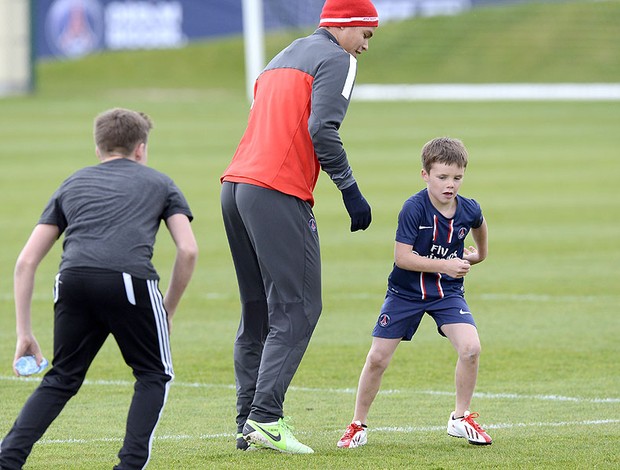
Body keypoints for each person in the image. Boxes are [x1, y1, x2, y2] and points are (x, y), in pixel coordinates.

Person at [220, 0, 378, 454]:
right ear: (345, 26)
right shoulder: (337, 58)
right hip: (275, 190)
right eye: (366, 34)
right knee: (299, 307)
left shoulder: (281, 56)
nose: (366, 45)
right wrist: (350, 191)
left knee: (258, 311)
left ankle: (246, 423)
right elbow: (321, 129)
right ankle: (266, 417)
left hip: (235, 186)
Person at [0, 108, 198, 469]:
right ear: (140, 149)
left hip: (71, 280)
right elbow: (187, 250)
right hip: (128, 282)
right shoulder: (160, 183)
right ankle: (129, 464)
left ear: (98, 150)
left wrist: (24, 333)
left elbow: (26, 262)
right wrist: (166, 308)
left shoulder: (72, 183)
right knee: (154, 374)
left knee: (62, 377)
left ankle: (7, 459)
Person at [337, 137, 492, 449]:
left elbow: (479, 224)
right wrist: (446, 265)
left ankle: (460, 418)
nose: (450, 185)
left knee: (471, 348)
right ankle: (357, 424)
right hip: (405, 293)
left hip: (446, 292)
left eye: (457, 178)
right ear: (426, 175)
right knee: (378, 358)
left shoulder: (468, 208)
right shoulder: (414, 208)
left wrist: (479, 255)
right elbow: (402, 258)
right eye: (442, 177)